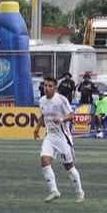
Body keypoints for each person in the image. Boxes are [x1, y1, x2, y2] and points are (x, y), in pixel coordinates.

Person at [33, 75, 85, 203]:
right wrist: (37, 128)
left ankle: (79, 192)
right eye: (45, 85)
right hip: (50, 137)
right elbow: (43, 116)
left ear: (55, 88)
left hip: (63, 138)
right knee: (44, 160)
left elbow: (72, 115)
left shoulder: (61, 100)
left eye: (50, 86)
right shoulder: (42, 100)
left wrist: (61, 119)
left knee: (69, 167)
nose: (47, 88)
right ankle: (54, 191)